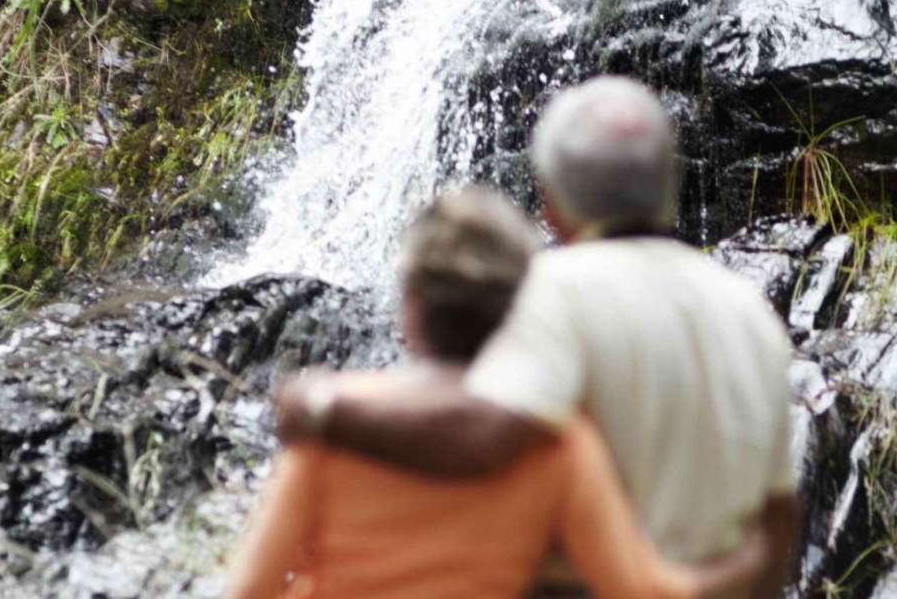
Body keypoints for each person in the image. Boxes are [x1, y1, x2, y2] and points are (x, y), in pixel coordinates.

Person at [276, 77, 800, 599]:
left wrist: (325, 409)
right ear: (667, 183)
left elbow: (481, 438)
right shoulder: (748, 310)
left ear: (550, 202)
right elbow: (776, 532)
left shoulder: (553, 291)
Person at [225, 187, 768, 599]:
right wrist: (754, 554)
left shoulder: (331, 419)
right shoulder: (555, 443)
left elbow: (250, 589)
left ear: (411, 304)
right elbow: (647, 590)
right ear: (518, 310)